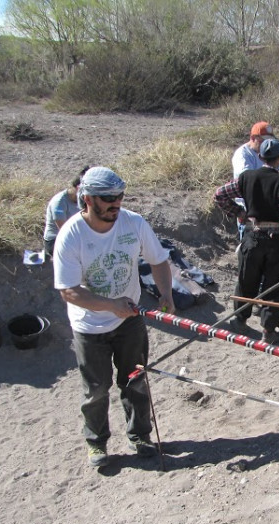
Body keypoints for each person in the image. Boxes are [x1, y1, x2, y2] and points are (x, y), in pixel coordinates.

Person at [53, 166, 176, 468]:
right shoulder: (71, 235)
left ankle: (140, 436)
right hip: (89, 327)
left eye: (119, 196)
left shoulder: (132, 223)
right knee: (95, 390)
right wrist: (110, 305)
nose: (115, 203)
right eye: (107, 198)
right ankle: (97, 443)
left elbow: (158, 260)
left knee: (134, 380)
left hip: (129, 320)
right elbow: (69, 291)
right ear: (87, 199)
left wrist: (166, 294)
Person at [214, 139, 279, 344]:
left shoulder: (246, 178)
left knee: (246, 280)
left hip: (252, 236)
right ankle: (268, 331)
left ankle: (240, 321)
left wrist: (239, 212)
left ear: (261, 157)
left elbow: (219, 195)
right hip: (277, 239)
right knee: (274, 286)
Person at [232, 121, 277, 240]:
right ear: (253, 138)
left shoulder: (268, 152)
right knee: (250, 250)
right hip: (250, 211)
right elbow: (248, 183)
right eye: (263, 140)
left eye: (269, 141)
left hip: (268, 210)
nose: (266, 144)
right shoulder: (243, 155)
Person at [43, 166, 89, 259]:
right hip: (56, 239)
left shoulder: (85, 200)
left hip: (76, 236)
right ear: (77, 188)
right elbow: (64, 230)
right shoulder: (59, 202)